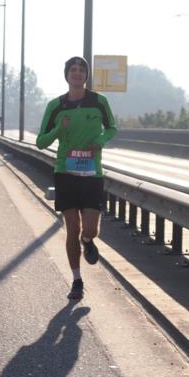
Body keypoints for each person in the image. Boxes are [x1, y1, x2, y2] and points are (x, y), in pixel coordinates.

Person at [35, 56, 118, 301]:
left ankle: (87, 240)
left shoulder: (99, 101)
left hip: (92, 173)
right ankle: (77, 280)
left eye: (82, 70)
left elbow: (112, 127)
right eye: (73, 69)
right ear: (67, 75)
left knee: (90, 228)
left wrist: (100, 141)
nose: (78, 73)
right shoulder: (56, 106)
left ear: (86, 75)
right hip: (66, 172)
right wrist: (59, 129)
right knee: (71, 227)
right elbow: (41, 142)